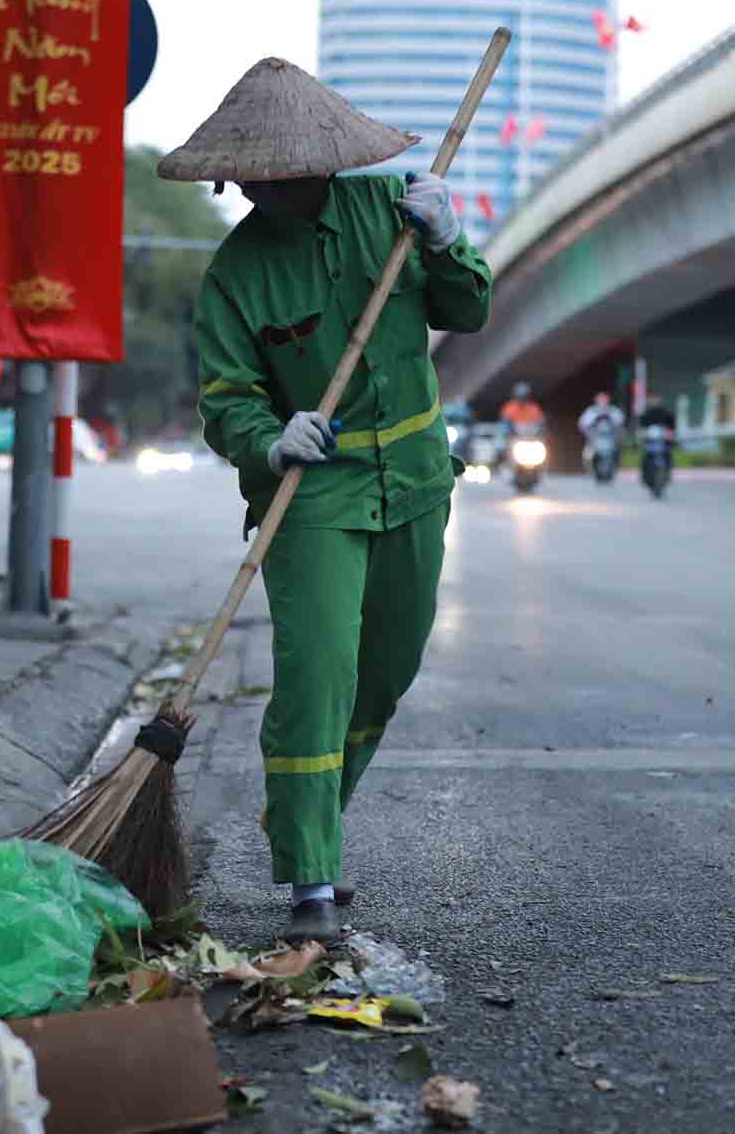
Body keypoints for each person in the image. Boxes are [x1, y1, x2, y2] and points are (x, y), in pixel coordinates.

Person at [161, 57, 492, 942]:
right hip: (313, 489)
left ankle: (311, 812)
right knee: (317, 673)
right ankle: (311, 871)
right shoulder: (236, 273)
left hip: (418, 476)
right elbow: (228, 397)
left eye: (290, 173)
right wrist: (270, 436)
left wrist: (446, 241)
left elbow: (468, 311)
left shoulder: (391, 213)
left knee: (386, 667)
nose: (273, 190)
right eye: (257, 179)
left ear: (324, 161)